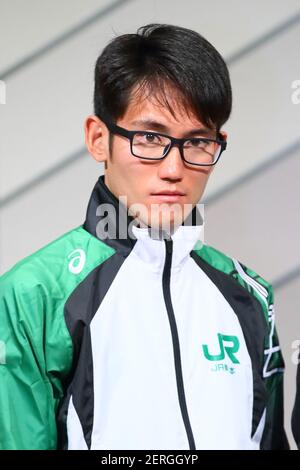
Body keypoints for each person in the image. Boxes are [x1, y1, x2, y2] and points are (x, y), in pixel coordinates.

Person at [0, 23, 289, 450]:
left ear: (218, 144)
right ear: (99, 139)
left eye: (197, 142)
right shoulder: (32, 297)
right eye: (150, 138)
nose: (174, 169)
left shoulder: (250, 295)